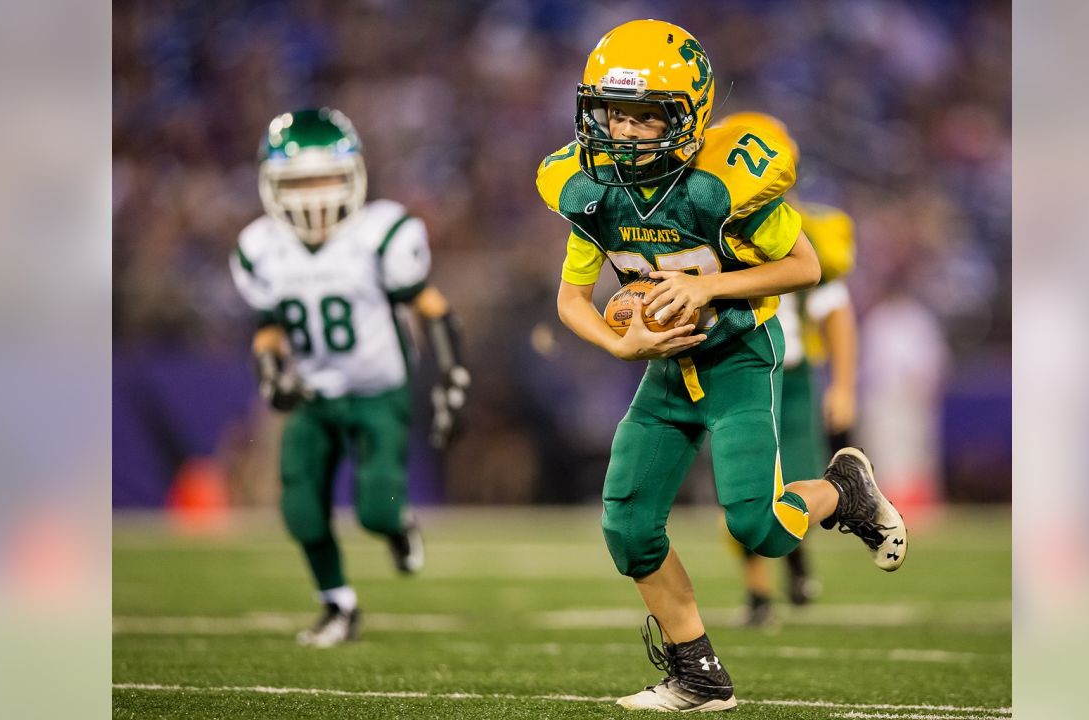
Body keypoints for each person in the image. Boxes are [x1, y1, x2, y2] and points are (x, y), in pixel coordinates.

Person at [538, 20, 907, 711]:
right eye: (614, 113)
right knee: (627, 523)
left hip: (739, 356)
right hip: (668, 372)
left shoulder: (721, 186)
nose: (623, 131)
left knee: (758, 529)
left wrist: (705, 287)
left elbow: (804, 265)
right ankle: (699, 675)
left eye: (645, 117)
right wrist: (620, 344)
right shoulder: (588, 189)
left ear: (686, 116)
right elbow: (571, 298)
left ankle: (844, 492)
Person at [230, 108, 470, 647]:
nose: (313, 194)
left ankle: (397, 525)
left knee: (375, 506)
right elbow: (268, 330)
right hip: (315, 395)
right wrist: (271, 373)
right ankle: (337, 604)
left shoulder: (379, 232)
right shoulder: (261, 248)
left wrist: (453, 375)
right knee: (298, 501)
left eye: (324, 178)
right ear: (272, 186)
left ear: (353, 176)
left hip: (379, 391)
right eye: (299, 181)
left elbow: (429, 306)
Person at [714, 112, 862, 626]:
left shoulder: (810, 231)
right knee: (740, 488)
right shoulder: (707, 224)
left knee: (787, 486)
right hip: (731, 370)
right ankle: (758, 595)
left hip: (792, 376)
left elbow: (835, 311)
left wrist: (843, 385)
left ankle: (800, 555)